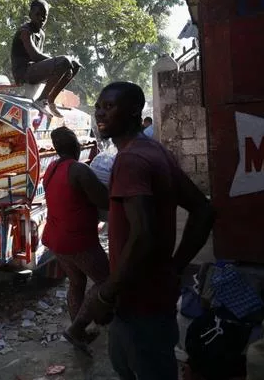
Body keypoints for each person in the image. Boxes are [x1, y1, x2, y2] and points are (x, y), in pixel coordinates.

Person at [82, 81, 215, 380]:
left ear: (133, 112)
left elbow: (143, 235)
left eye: (109, 107)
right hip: (148, 298)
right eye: (98, 107)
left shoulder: (131, 160)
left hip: (138, 303)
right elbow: (203, 210)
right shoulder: (153, 151)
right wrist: (175, 267)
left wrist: (105, 294)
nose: (99, 114)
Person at [42, 127, 110, 353]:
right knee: (106, 281)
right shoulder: (79, 170)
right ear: (76, 146)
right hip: (78, 241)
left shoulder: (51, 168)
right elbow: (103, 200)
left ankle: (78, 332)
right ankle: (76, 328)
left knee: (77, 283)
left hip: (57, 239)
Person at [10, 0, 82, 118]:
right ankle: (41, 100)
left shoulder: (41, 34)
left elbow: (40, 60)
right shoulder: (25, 32)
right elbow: (35, 56)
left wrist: (64, 63)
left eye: (45, 16)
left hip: (34, 71)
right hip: (23, 73)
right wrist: (59, 60)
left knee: (74, 66)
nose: (41, 19)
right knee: (64, 61)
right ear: (30, 15)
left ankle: (50, 99)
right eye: (38, 15)